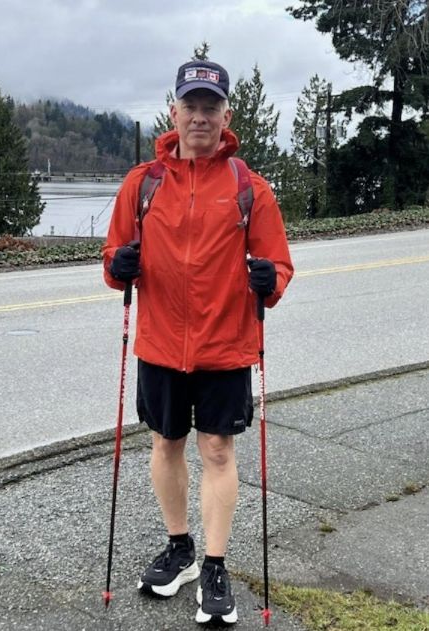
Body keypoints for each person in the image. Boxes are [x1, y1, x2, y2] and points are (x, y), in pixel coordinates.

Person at [103, 59, 294, 625]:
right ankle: (179, 548)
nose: (200, 117)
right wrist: (119, 265)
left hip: (225, 345)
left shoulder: (249, 189)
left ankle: (214, 563)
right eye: (191, 105)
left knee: (217, 450)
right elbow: (113, 258)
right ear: (175, 112)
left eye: (211, 107)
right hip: (161, 343)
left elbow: (279, 265)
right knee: (166, 444)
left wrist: (270, 280)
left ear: (226, 116)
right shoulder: (142, 184)